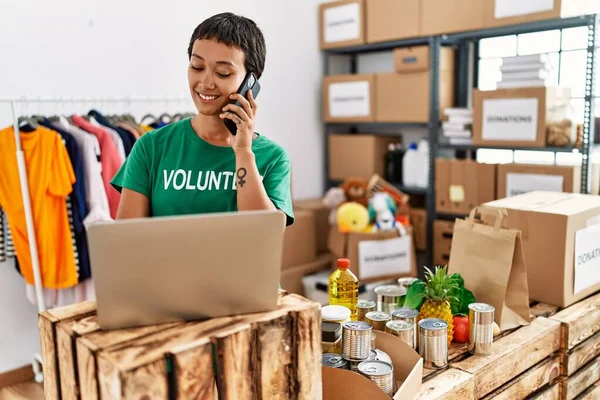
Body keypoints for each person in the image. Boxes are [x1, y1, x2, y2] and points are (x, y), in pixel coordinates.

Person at [110, 12, 294, 227]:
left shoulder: (272, 158)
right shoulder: (151, 147)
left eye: (223, 73)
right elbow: (126, 242)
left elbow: (265, 233)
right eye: (197, 67)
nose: (206, 83)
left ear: (251, 81)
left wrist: (243, 153)